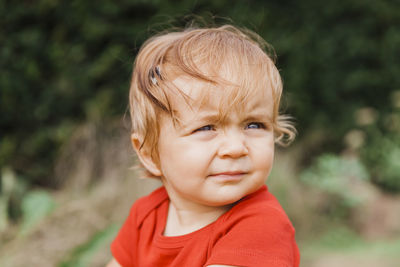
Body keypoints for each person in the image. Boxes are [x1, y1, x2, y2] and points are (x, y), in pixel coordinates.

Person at [107, 23, 300, 267]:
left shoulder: (262, 225)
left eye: (253, 125)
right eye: (207, 128)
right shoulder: (145, 216)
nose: (235, 147)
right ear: (149, 154)